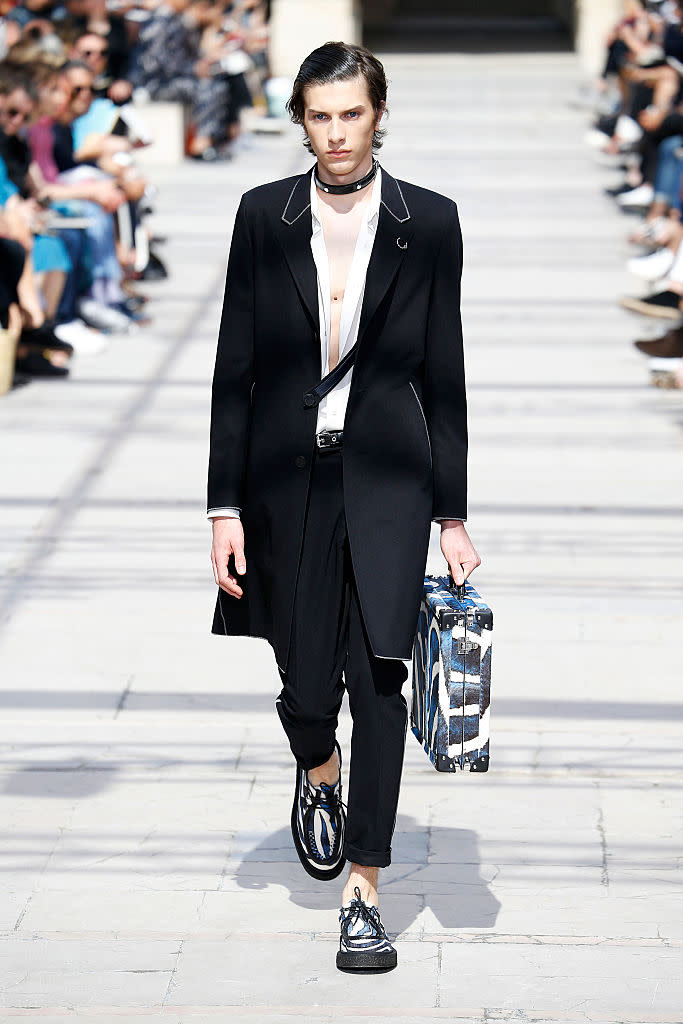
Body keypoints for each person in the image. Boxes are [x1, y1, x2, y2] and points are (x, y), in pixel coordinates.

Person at [206, 40, 480, 973]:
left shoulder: (430, 221)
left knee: (379, 686)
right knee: (307, 686)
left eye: (350, 115)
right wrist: (221, 507)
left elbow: (444, 371)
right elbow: (233, 370)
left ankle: (365, 893)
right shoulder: (261, 216)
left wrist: (452, 513)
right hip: (285, 486)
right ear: (301, 120)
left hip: (389, 483)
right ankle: (315, 768)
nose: (334, 134)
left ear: (377, 113)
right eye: (318, 117)